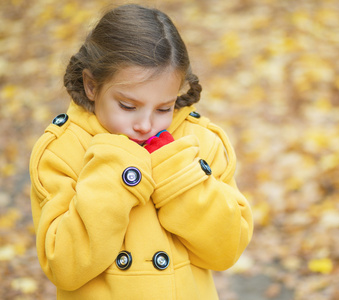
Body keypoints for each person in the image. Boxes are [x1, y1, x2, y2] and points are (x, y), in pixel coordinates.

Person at [29, 4, 253, 299]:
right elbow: (64, 267)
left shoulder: (199, 142)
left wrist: (177, 175)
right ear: (92, 85)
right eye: (128, 106)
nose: (146, 125)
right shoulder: (62, 150)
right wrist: (113, 170)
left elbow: (226, 250)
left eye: (164, 108)